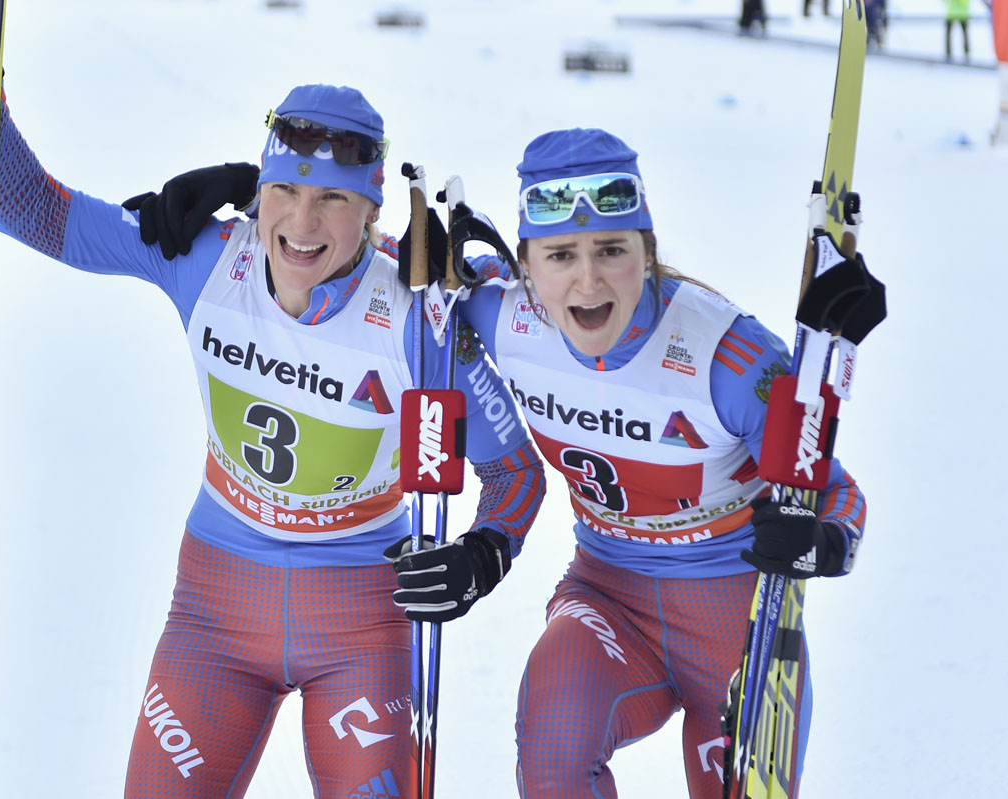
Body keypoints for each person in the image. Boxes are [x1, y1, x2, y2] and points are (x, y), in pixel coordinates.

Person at [0, 4, 546, 798]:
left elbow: (516, 471)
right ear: (260, 189)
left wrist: (483, 554)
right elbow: (32, 207)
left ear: (373, 211)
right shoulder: (206, 257)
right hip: (214, 610)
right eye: (285, 191)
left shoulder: (420, 317)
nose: (302, 224)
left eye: (335, 202)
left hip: (360, 619)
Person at [127, 127, 870, 798]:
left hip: (740, 618)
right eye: (560, 257)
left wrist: (824, 540)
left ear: (647, 252)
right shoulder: (497, 315)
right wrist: (249, 193)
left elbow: (834, 493)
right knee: (553, 735)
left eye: (613, 251)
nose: (587, 281)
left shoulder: (723, 356)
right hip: (610, 603)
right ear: (526, 268)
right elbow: (404, 268)